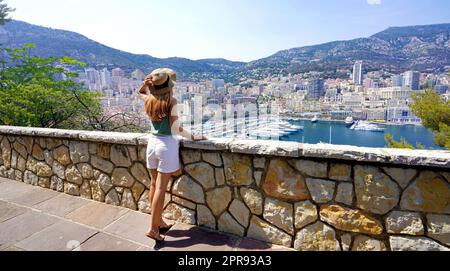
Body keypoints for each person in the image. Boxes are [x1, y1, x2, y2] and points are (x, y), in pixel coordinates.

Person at [138, 68, 206, 242]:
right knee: (161, 188)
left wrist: (144, 85)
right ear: (169, 86)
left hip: (151, 145)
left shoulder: (150, 99)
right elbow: (176, 129)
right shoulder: (172, 101)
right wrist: (195, 137)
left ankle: (158, 221)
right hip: (166, 146)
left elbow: (140, 93)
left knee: (153, 185)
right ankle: (153, 229)